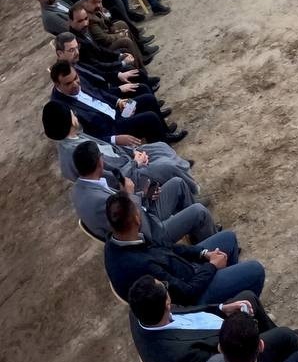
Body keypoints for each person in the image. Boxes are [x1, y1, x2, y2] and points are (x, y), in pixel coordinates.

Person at [128, 275, 298, 362]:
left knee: (248, 298)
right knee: (286, 336)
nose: (167, 287)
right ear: (166, 304)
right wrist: (242, 332)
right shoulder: (183, 356)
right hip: (234, 347)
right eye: (165, 288)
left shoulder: (142, 310)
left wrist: (221, 308)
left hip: (216, 327)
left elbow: (187, 311)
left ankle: (271, 344)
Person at [103, 189, 263, 307]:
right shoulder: (142, 266)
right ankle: (243, 311)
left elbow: (169, 249)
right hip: (193, 297)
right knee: (256, 270)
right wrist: (212, 266)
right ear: (137, 219)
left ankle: (232, 296)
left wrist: (204, 254)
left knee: (228, 238)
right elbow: (186, 293)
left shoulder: (117, 240)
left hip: (186, 270)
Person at [70, 139, 212, 244]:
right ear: (99, 162)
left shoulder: (80, 188)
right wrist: (130, 195)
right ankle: (210, 243)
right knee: (199, 212)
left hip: (142, 215)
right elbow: (134, 226)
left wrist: (144, 196)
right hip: (150, 234)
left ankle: (197, 233)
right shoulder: (99, 201)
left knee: (178, 183)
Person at [43, 102, 193, 194]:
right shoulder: (79, 153)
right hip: (127, 177)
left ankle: (183, 174)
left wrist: (133, 152)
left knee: (160, 147)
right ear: (67, 121)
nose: (75, 114)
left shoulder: (76, 136)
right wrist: (136, 163)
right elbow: (110, 178)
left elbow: (109, 147)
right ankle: (190, 192)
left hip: (126, 161)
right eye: (71, 113)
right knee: (167, 166)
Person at [49, 62, 179, 146]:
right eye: (68, 83)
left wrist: (118, 101)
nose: (75, 84)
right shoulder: (61, 109)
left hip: (116, 112)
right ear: (57, 84)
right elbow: (86, 138)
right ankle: (168, 157)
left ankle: (165, 134)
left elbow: (98, 92)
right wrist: (114, 139)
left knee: (147, 98)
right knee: (150, 118)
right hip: (113, 130)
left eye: (76, 79)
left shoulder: (76, 77)